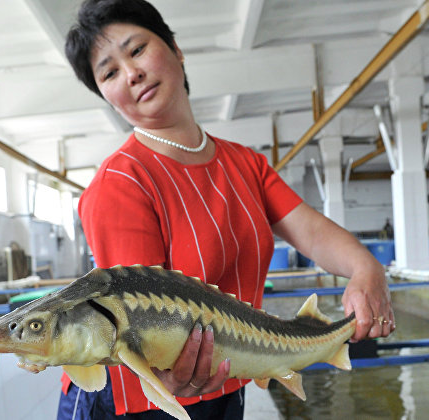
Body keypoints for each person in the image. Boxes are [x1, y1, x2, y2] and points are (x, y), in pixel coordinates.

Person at [58, 0, 395, 418]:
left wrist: (368, 269)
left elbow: (311, 233)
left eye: (138, 49)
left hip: (223, 381)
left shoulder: (244, 163)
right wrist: (170, 376)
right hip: (137, 399)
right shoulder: (120, 182)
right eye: (109, 72)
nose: (131, 74)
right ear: (106, 96)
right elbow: (140, 326)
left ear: (176, 48)